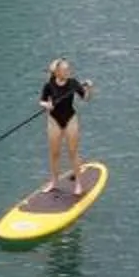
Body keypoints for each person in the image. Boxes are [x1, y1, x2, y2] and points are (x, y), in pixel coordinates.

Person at [40, 59, 95, 197]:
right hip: (54, 120)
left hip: (70, 118)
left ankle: (78, 184)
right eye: (65, 70)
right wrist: (46, 105)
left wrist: (89, 88)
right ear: (57, 72)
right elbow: (42, 101)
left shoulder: (73, 83)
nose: (68, 71)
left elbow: (85, 98)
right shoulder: (49, 85)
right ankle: (54, 182)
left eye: (68, 69)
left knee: (73, 152)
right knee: (54, 153)